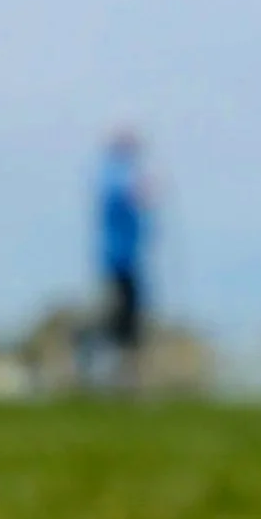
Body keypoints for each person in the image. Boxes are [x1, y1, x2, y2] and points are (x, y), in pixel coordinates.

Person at [94, 129, 151, 389]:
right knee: (117, 321)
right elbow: (121, 198)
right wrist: (140, 193)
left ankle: (128, 381)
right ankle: (113, 379)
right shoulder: (113, 175)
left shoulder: (126, 173)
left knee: (131, 322)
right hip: (116, 260)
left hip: (130, 259)